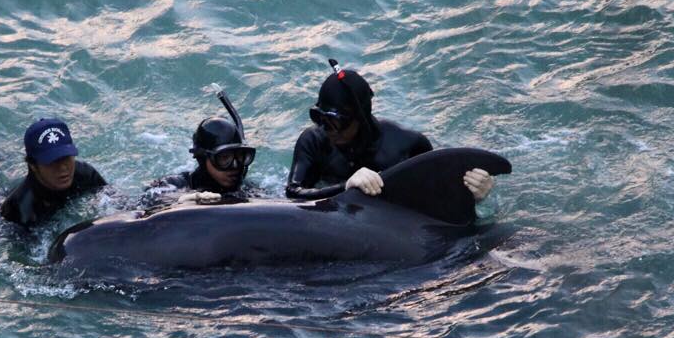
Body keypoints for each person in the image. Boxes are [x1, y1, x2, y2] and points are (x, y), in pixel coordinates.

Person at [285, 62, 494, 202]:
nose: (327, 129)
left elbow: (436, 197)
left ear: (361, 118)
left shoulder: (408, 145)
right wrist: (346, 186)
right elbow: (294, 193)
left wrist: (474, 195)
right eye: (319, 118)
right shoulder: (313, 141)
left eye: (336, 122)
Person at [0, 118, 106, 226]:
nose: (63, 167)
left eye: (66, 157)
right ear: (33, 165)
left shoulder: (86, 175)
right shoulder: (19, 210)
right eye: (52, 161)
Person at [146, 116, 258, 206]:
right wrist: (182, 200)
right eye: (224, 158)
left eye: (241, 157)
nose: (235, 166)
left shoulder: (246, 189)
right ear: (203, 159)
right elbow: (148, 201)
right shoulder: (174, 184)